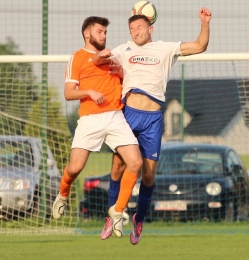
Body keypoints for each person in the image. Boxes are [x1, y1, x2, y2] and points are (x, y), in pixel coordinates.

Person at [93, 7, 212, 244]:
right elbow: (98, 61)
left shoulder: (165, 48)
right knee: (117, 167)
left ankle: (139, 220)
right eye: (131, 29)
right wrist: (100, 54)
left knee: (148, 175)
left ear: (151, 28)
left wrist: (204, 23)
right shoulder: (123, 49)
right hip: (128, 115)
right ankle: (112, 214)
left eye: (139, 27)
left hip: (153, 119)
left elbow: (199, 45)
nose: (135, 32)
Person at [52, 16, 143, 238]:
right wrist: (89, 92)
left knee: (136, 162)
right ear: (87, 34)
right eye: (100, 32)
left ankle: (117, 210)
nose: (103, 35)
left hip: (115, 116)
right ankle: (63, 194)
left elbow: (125, 77)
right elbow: (68, 93)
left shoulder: (112, 58)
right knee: (74, 168)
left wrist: (119, 71)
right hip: (90, 119)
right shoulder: (77, 58)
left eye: (105, 32)